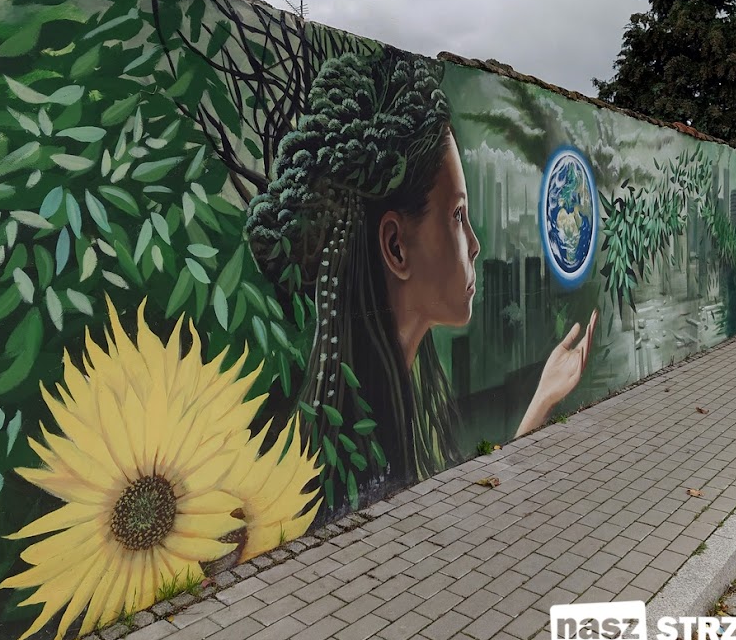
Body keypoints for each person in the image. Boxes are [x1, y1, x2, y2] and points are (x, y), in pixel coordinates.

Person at [246, 51, 596, 489]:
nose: (475, 244)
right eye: (458, 215)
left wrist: (543, 397)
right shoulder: (360, 447)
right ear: (396, 247)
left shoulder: (373, 410)